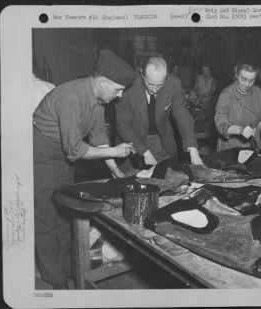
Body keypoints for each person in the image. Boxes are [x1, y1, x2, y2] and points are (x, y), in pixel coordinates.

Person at [33, 49, 137, 289]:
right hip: (42, 154)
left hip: (63, 157)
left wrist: (114, 170)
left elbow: (99, 135)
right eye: (118, 89)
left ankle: (71, 269)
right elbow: (76, 150)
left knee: (64, 213)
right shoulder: (72, 97)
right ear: (102, 82)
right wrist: (114, 152)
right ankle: (55, 281)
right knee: (46, 220)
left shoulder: (99, 99)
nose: (120, 96)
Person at [115, 57, 204, 171]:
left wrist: (193, 150)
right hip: (132, 140)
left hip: (160, 140)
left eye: (160, 85)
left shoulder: (173, 83)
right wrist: (144, 152)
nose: (155, 90)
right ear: (142, 75)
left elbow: (182, 114)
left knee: (168, 177)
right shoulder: (128, 87)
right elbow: (123, 126)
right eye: (151, 84)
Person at [215, 62, 261, 151]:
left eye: (252, 80)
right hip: (231, 147)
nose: (247, 84)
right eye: (244, 79)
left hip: (253, 144)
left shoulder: (257, 92)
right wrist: (240, 130)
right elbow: (220, 123)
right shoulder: (226, 95)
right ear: (236, 75)